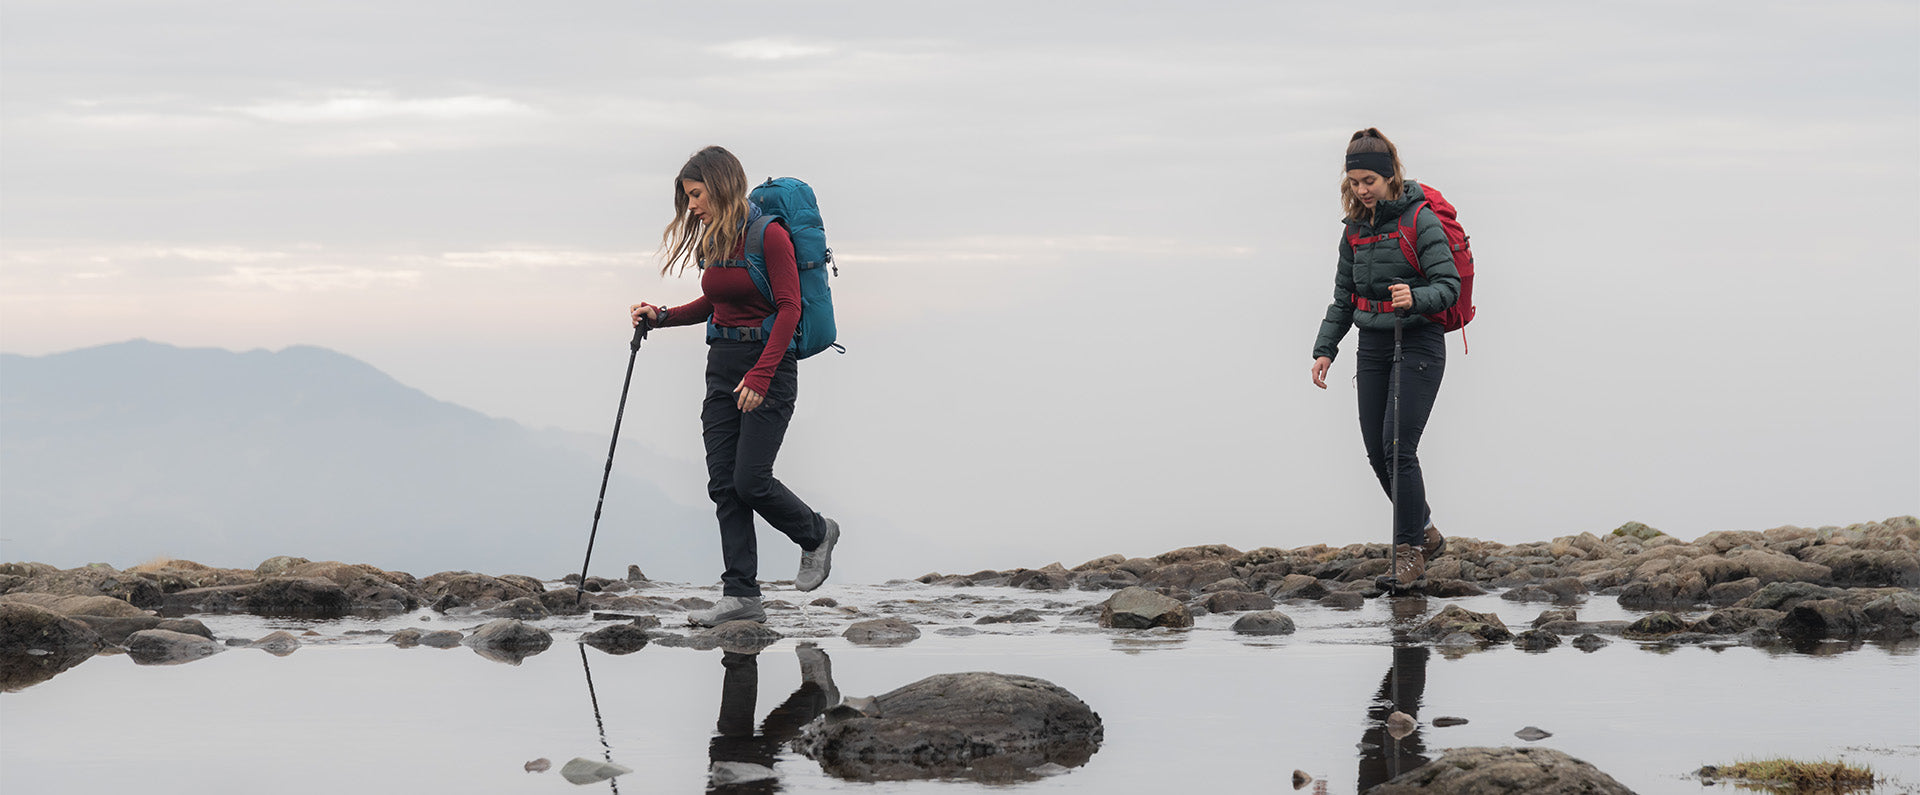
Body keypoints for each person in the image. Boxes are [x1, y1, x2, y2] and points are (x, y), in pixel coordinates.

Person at [631, 145, 840, 627]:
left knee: (751, 480)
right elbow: (713, 305)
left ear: (722, 186)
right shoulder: (714, 239)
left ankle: (816, 534)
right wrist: (661, 317)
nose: (692, 207)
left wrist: (762, 374)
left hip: (768, 367)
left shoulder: (768, 236)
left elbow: (790, 308)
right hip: (722, 365)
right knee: (725, 486)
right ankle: (741, 594)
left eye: (697, 195)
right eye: (687, 198)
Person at [1310, 128, 1459, 588]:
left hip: (1417, 343)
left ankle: (1410, 551)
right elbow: (1343, 296)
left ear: (1390, 175)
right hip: (1373, 346)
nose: (1361, 189)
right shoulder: (1354, 230)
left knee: (1399, 448)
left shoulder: (1420, 219)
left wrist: (1413, 297)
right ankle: (1426, 534)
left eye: (1369, 180)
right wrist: (1325, 349)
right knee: (1378, 452)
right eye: (1354, 181)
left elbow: (1448, 285)